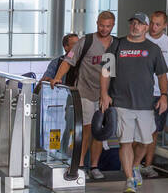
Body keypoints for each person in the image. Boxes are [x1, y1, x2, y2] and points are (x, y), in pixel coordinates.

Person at [100, 12, 168, 193]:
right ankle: (129, 179)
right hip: (121, 102)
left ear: (146, 27)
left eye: (139, 23)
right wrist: (104, 94)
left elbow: (162, 75)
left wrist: (164, 96)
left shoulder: (153, 49)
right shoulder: (116, 45)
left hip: (146, 104)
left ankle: (136, 165)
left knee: (145, 141)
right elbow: (105, 71)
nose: (135, 26)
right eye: (133, 22)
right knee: (125, 141)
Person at [46, 11, 116, 181]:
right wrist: (57, 77)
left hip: (105, 94)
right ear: (97, 23)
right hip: (84, 91)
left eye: (108, 26)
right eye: (101, 25)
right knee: (87, 129)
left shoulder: (116, 44)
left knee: (99, 132)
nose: (104, 29)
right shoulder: (86, 42)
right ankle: (79, 165)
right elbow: (68, 61)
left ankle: (94, 166)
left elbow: (113, 70)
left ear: (112, 25)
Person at [140, 10, 168, 179]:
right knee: (137, 131)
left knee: (154, 132)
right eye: (152, 23)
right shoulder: (141, 38)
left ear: (165, 25)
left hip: (159, 93)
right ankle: (134, 165)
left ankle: (147, 165)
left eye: (158, 24)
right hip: (140, 92)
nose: (153, 27)